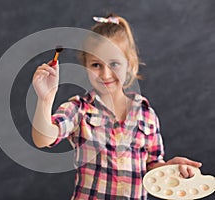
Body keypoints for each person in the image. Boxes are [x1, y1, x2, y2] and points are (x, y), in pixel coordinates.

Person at [31, 13, 202, 200]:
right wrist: (45, 100)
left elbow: (151, 165)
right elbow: (43, 138)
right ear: (86, 67)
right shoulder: (80, 109)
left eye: (114, 64)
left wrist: (170, 168)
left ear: (130, 64)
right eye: (96, 65)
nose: (105, 74)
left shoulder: (146, 115)